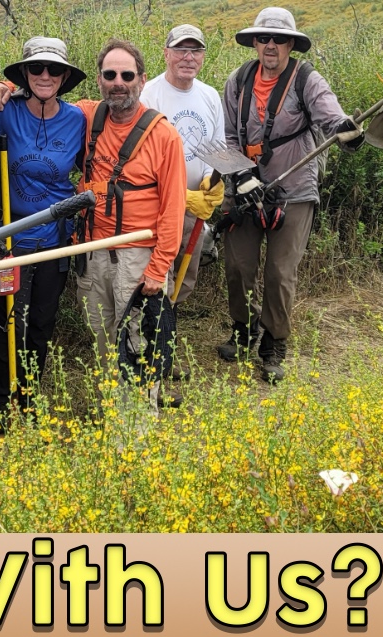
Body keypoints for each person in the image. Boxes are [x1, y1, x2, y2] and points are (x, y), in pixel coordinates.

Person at [218, 7, 363, 382]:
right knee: (238, 266)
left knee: (280, 272)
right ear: (254, 42)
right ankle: (243, 329)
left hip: (294, 189)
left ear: (290, 44)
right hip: (246, 188)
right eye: (263, 38)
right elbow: (230, 137)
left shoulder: (307, 80)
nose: (270, 45)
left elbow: (332, 116)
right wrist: (243, 175)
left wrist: (345, 129)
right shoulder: (238, 80)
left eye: (278, 39)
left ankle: (273, 342)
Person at [74, 40, 187, 406]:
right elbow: (43, 103)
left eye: (126, 75)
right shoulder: (88, 116)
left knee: (137, 346)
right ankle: (116, 416)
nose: (117, 82)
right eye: (110, 75)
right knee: (104, 343)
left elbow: (173, 209)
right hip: (92, 254)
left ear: (141, 79)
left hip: (138, 261)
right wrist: (6, 89)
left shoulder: (163, 135)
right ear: (99, 79)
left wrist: (158, 270)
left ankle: (136, 437)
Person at [0, 36, 88, 428]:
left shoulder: (78, 118)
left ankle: (27, 398)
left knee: (41, 325)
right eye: (37, 68)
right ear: (24, 74)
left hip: (53, 243)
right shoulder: (3, 112)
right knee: (7, 325)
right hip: (7, 242)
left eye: (54, 69)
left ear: (64, 76)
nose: (45, 75)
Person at [139, 24, 225, 383]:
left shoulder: (209, 96)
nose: (188, 58)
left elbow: (216, 147)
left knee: (180, 286)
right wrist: (175, 194)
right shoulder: (149, 94)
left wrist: (211, 181)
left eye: (196, 51)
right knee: (156, 282)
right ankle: (149, 359)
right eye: (181, 50)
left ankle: (162, 354)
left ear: (203, 56)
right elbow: (140, 155)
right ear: (166, 53)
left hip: (195, 210)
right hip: (158, 208)